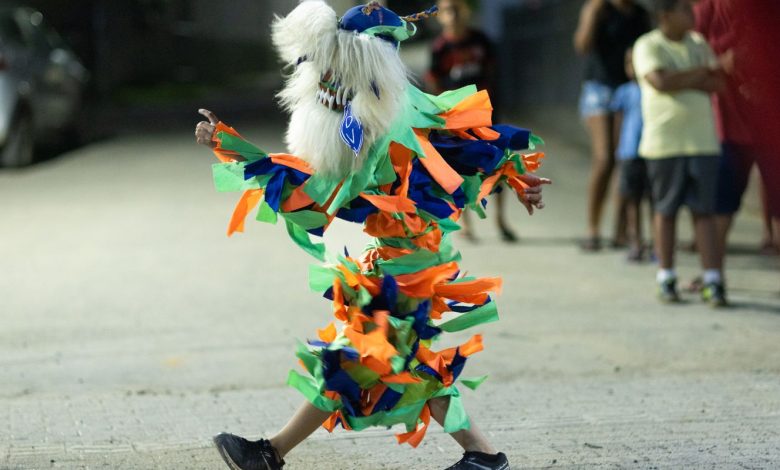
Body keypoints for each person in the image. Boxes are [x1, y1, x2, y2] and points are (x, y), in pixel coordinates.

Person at [194, 2, 550, 469]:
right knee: (405, 364)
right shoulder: (387, 111)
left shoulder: (384, 121)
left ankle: (269, 453)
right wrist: (517, 176)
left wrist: (234, 147)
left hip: (410, 266)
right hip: (403, 259)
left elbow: (319, 189)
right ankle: (484, 457)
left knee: (358, 358)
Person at [633, 0, 726, 306]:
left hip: (703, 142)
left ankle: (713, 279)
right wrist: (700, 73)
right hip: (664, 143)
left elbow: (720, 82)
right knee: (666, 210)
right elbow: (660, 82)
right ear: (666, 16)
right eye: (685, 9)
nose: (692, 14)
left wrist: (681, 78)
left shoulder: (699, 43)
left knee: (705, 212)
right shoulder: (648, 45)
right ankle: (666, 276)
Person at [426, 0, 517, 243]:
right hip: (457, 120)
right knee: (461, 170)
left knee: (497, 166)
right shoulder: (440, 48)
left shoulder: (481, 41)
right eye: (447, 11)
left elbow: (494, 75)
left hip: (485, 114)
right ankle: (466, 223)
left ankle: (500, 219)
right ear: (440, 16)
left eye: (457, 9)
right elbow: (435, 84)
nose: (453, 15)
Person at [573, 0, 651, 251]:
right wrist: (593, 13)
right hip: (599, 89)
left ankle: (620, 231)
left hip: (629, 90)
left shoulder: (640, 14)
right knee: (604, 158)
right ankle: (592, 228)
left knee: (624, 160)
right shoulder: (598, 9)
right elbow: (582, 46)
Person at [609, 47, 650, 262]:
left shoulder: (654, 90)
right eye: (628, 63)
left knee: (654, 201)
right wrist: (618, 150)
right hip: (629, 152)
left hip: (652, 151)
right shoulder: (624, 92)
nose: (632, 67)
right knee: (632, 201)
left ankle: (657, 245)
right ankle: (636, 241)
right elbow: (618, 122)